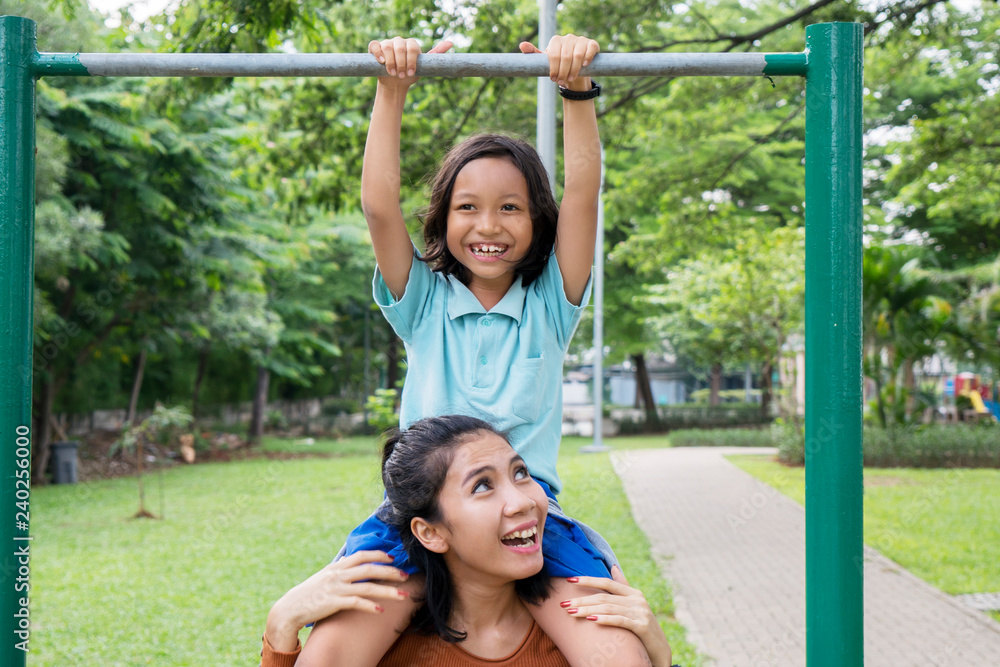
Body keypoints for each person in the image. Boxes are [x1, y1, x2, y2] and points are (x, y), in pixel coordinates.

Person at [299, 31, 643, 664]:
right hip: (423, 511)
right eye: (468, 208)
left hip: (525, 518)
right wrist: (392, 88)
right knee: (330, 651)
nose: (489, 226)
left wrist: (574, 90)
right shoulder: (422, 302)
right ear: (443, 218)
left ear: (538, 220)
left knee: (616, 651)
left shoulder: (549, 305)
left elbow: (585, 196)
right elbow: (378, 207)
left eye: (510, 207)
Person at [261, 416, 675, 666]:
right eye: (482, 486)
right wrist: (281, 626)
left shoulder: (580, 622)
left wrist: (659, 657)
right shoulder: (381, 633)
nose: (524, 503)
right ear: (431, 532)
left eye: (520, 474)